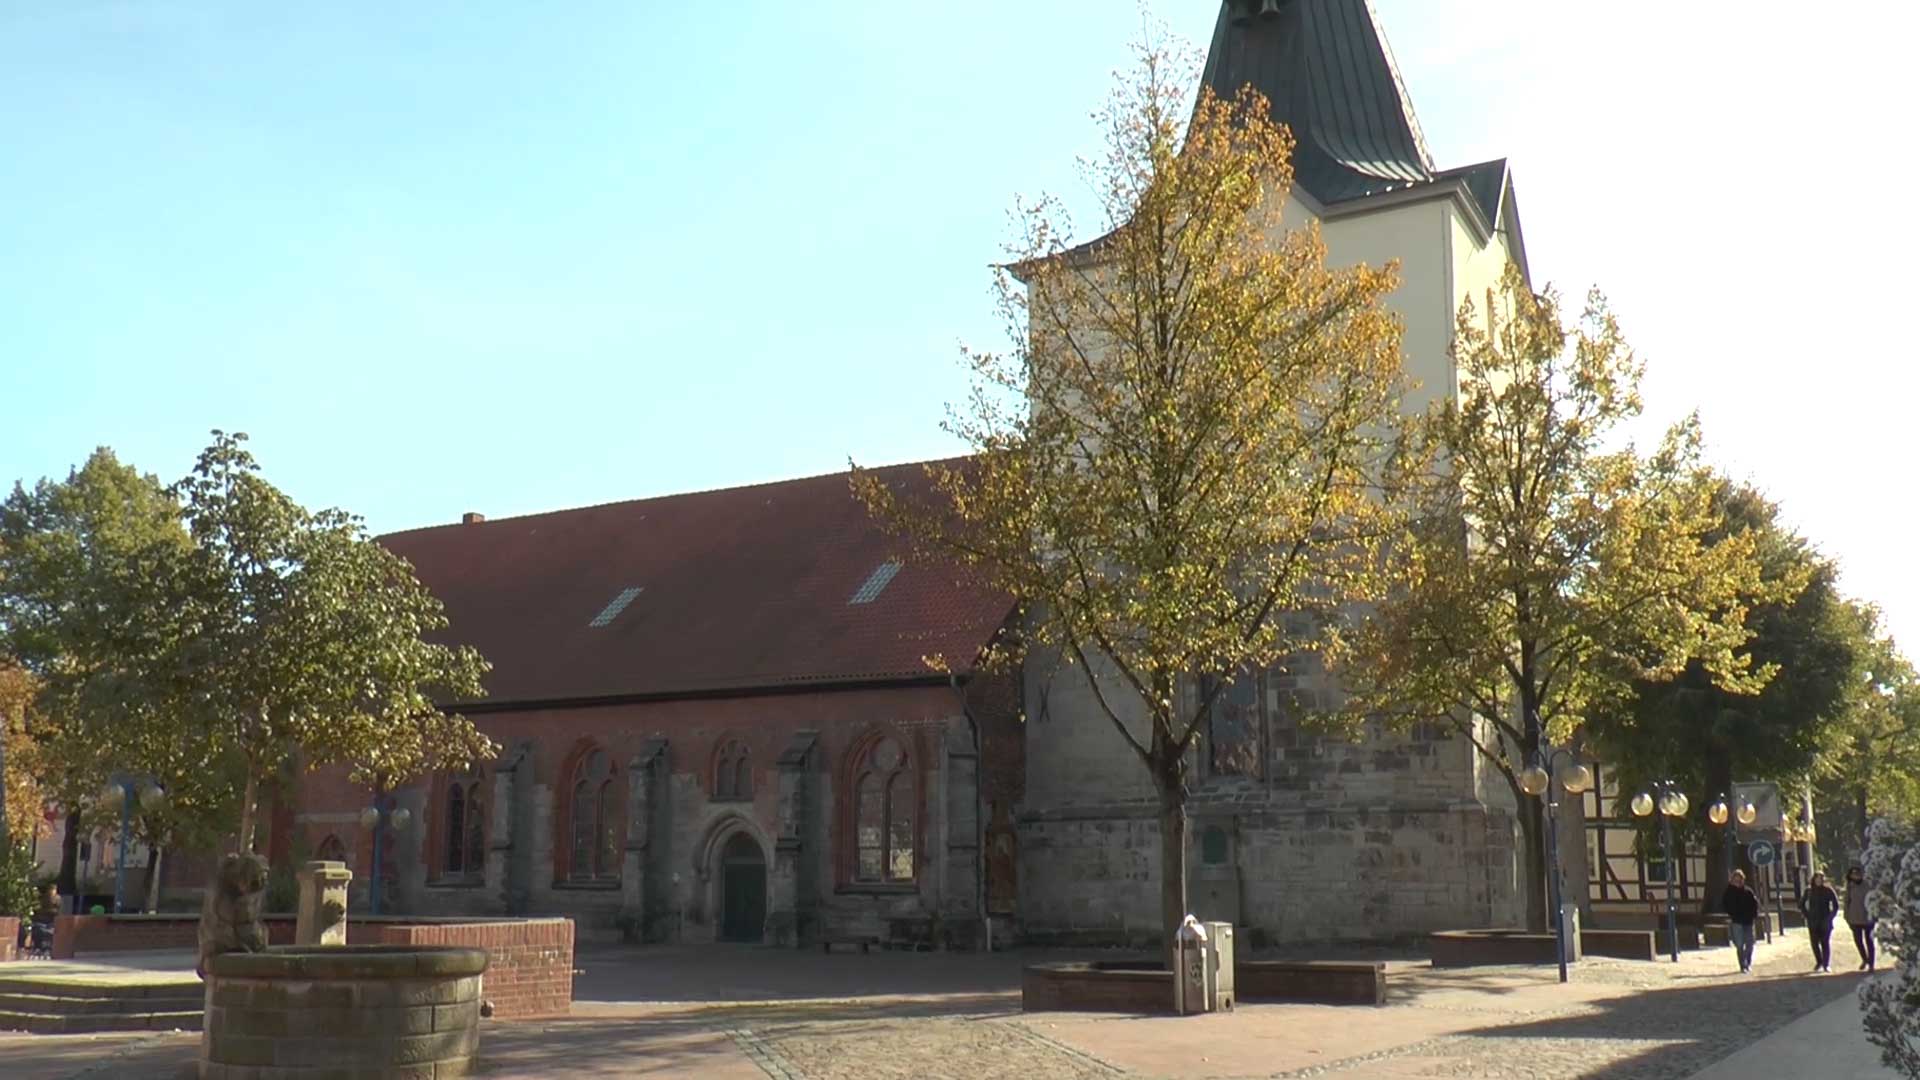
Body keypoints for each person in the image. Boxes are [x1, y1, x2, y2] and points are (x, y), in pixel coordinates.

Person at [1800, 871, 1840, 972]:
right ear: (1814, 880)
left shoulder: (1828, 890)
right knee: (1814, 943)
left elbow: (1836, 905)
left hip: (1825, 921)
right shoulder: (1809, 891)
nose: (1819, 881)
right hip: (1813, 921)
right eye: (1817, 879)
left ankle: (1826, 964)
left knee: (1825, 943)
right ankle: (1819, 962)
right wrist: (1807, 915)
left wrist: (1831, 917)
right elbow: (1801, 904)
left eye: (1821, 879)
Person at [1723, 869, 1761, 973]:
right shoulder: (1729, 892)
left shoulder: (1748, 891)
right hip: (1736, 921)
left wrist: (1754, 915)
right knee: (1739, 945)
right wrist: (1731, 914)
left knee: (1750, 944)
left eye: (1739, 880)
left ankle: (1747, 962)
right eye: (1735, 880)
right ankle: (1742, 965)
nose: (1737, 882)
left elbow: (1755, 904)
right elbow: (1725, 905)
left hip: (1748, 921)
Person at [1845, 864, 1877, 971]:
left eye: (1857, 874)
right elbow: (1847, 902)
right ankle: (1865, 959)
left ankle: (1871, 964)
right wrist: (1847, 916)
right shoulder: (1850, 886)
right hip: (1854, 918)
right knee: (1858, 941)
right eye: (1853, 874)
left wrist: (1874, 914)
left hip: (1867, 918)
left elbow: (1873, 899)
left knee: (1869, 941)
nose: (1856, 876)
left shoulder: (1867, 885)